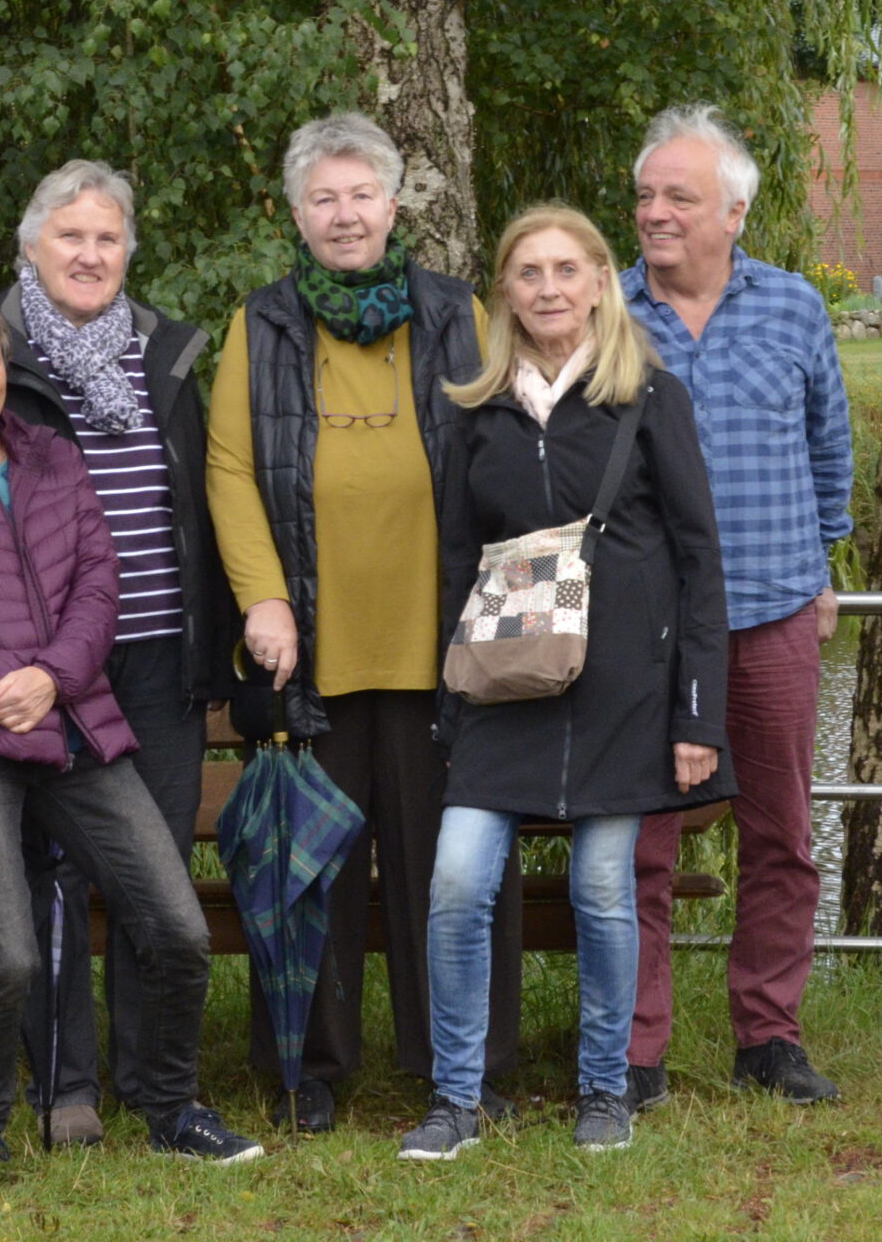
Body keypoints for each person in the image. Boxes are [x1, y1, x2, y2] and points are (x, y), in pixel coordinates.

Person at [0, 287, 262, 1190]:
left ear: (7, 366)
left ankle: (173, 1107)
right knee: (8, 950)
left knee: (178, 928)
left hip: (73, 724)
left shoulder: (54, 460)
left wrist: (52, 677)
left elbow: (98, 593)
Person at [205, 113, 522, 1130]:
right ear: (297, 214)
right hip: (312, 648)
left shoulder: (457, 313)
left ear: (394, 204)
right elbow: (228, 471)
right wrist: (261, 595)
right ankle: (309, 1070)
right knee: (311, 874)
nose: (343, 215)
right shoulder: (260, 325)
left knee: (456, 871)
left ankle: (464, 1068)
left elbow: (505, 459)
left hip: (443, 650)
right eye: (322, 198)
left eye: (360, 195)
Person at [401, 206, 732, 1163]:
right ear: (504, 291)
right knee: (459, 878)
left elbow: (700, 562)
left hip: (625, 692)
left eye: (566, 269)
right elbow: (456, 562)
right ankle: (456, 1100)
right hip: (505, 688)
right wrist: (449, 705)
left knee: (600, 885)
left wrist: (696, 711)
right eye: (527, 273)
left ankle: (604, 1089)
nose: (548, 288)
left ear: (599, 281)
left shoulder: (649, 397)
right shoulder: (477, 411)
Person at [0, 159, 236, 1146]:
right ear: (30, 249)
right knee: (51, 863)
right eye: (70, 237)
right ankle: (64, 1089)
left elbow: (204, 497)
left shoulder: (169, 354)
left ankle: (153, 1080)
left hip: (160, 655)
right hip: (48, 665)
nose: (90, 255)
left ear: (128, 252)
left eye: (106, 238)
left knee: (157, 869)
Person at [621, 104, 852, 1108]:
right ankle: (633, 1052)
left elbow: (828, 449)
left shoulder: (794, 309)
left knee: (782, 836)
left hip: (771, 612)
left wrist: (822, 565)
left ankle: (767, 1035)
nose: (654, 212)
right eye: (644, 195)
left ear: (735, 212)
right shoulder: (602, 311)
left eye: (679, 195)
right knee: (638, 847)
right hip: (643, 631)